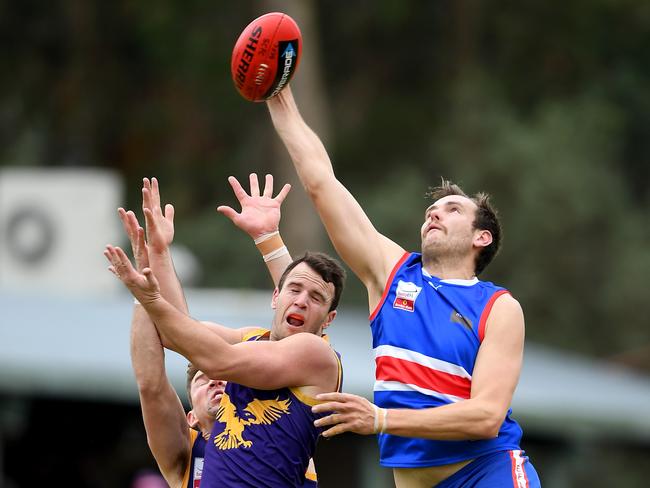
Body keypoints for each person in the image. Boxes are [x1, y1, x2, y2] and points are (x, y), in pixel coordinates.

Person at [265, 86, 541, 487]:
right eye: (432, 209)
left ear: (482, 237)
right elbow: (321, 184)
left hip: (488, 472)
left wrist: (380, 419)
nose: (434, 213)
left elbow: (486, 417)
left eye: (453, 209)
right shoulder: (392, 275)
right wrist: (281, 99)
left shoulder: (498, 307)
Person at [106, 179, 346, 487]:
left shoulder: (317, 354)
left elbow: (216, 360)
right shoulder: (251, 339)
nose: (301, 300)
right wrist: (159, 253)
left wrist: (151, 299)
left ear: (329, 319)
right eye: (294, 290)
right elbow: (177, 334)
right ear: (275, 297)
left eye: (316, 298)